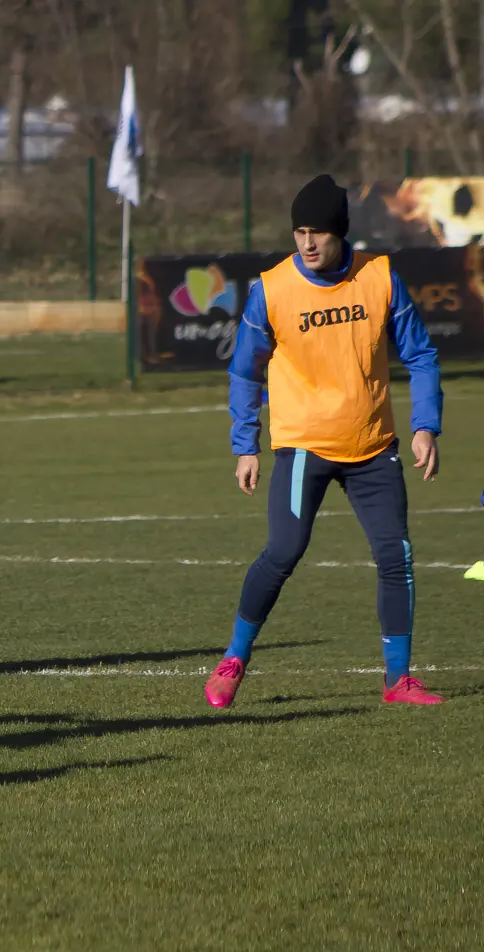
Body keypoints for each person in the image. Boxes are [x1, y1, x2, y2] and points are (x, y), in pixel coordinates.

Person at [207, 174, 444, 709]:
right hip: (303, 445)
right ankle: (233, 660)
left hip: (373, 446)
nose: (307, 243)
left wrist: (425, 426)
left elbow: (421, 356)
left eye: (318, 232)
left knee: (396, 556)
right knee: (284, 551)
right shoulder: (272, 289)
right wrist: (245, 445)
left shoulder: (379, 278)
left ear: (340, 232)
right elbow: (244, 372)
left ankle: (399, 680)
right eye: (300, 232)